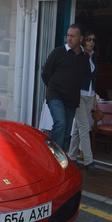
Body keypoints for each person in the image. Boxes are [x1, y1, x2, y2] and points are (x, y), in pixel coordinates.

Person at [41, 23, 89, 152]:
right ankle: (54, 156)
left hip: (72, 98)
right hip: (56, 95)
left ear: (80, 38)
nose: (69, 39)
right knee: (60, 123)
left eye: (73, 36)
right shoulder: (58, 52)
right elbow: (45, 73)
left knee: (67, 130)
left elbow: (85, 77)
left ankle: (63, 159)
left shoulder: (84, 58)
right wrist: (52, 88)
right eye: (68, 35)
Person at [68, 31, 98, 173]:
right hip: (79, 95)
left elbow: (93, 78)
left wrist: (95, 95)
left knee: (78, 128)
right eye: (88, 39)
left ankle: (72, 157)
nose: (91, 42)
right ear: (83, 41)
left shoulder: (93, 57)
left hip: (90, 95)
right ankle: (88, 160)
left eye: (93, 40)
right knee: (84, 127)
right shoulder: (80, 56)